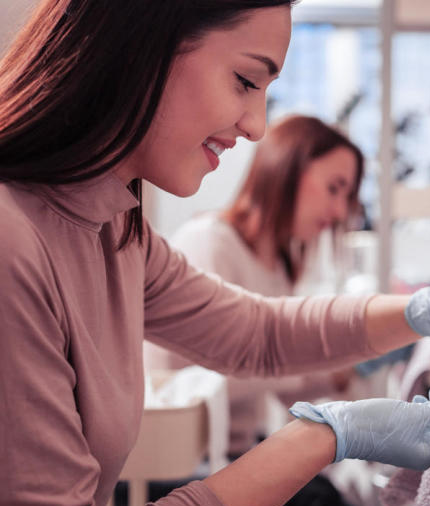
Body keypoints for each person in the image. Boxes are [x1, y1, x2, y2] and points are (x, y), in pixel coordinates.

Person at [0, 2, 430, 506]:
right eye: (245, 81)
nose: (258, 127)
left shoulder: (118, 230)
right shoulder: (14, 244)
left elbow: (256, 332)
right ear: (141, 43)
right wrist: (329, 436)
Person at [145, 114, 368, 456]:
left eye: (347, 195)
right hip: (183, 459)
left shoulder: (279, 266)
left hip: (233, 451)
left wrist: (342, 375)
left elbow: (276, 379)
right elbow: (223, 373)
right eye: (334, 188)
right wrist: (329, 364)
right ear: (287, 170)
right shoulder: (210, 243)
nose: (339, 211)